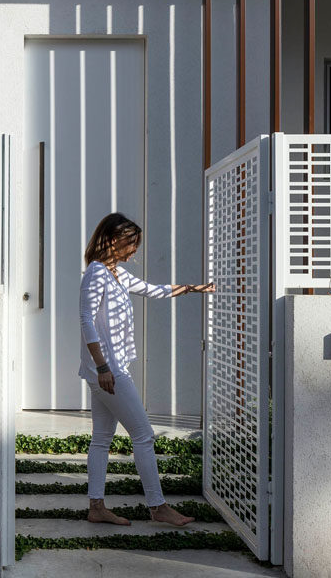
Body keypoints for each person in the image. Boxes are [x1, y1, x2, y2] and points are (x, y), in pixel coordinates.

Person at [79, 211, 214, 527]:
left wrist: (198, 288)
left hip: (108, 368)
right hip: (107, 370)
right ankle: (158, 507)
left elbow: (157, 290)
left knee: (101, 438)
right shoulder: (97, 274)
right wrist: (102, 367)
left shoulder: (117, 274)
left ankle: (96, 507)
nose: (135, 250)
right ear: (114, 240)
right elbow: (86, 321)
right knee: (144, 434)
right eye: (131, 243)